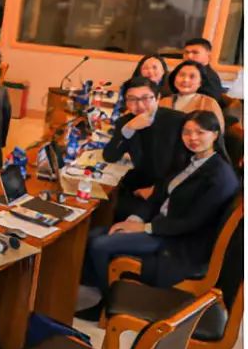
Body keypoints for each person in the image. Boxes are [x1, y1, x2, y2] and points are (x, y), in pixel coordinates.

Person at [77, 110, 238, 320]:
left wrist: (144, 228)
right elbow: (158, 196)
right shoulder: (189, 159)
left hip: (179, 241)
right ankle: (103, 284)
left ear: (215, 134)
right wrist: (135, 219)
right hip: (161, 225)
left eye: (200, 132)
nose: (192, 138)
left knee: (100, 244)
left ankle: (107, 305)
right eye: (187, 132)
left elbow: (193, 223)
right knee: (93, 235)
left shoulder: (219, 177)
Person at [103, 76, 191, 221]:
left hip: (169, 189)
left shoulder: (178, 121)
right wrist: (129, 129)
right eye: (132, 99)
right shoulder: (126, 122)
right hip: (139, 185)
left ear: (158, 98)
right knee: (111, 208)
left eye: (145, 98)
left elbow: (187, 164)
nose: (139, 105)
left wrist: (157, 190)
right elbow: (110, 156)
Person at [160, 60, 225, 131]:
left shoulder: (209, 103)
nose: (185, 80)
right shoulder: (163, 101)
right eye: (181, 75)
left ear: (200, 82)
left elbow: (218, 132)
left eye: (192, 77)